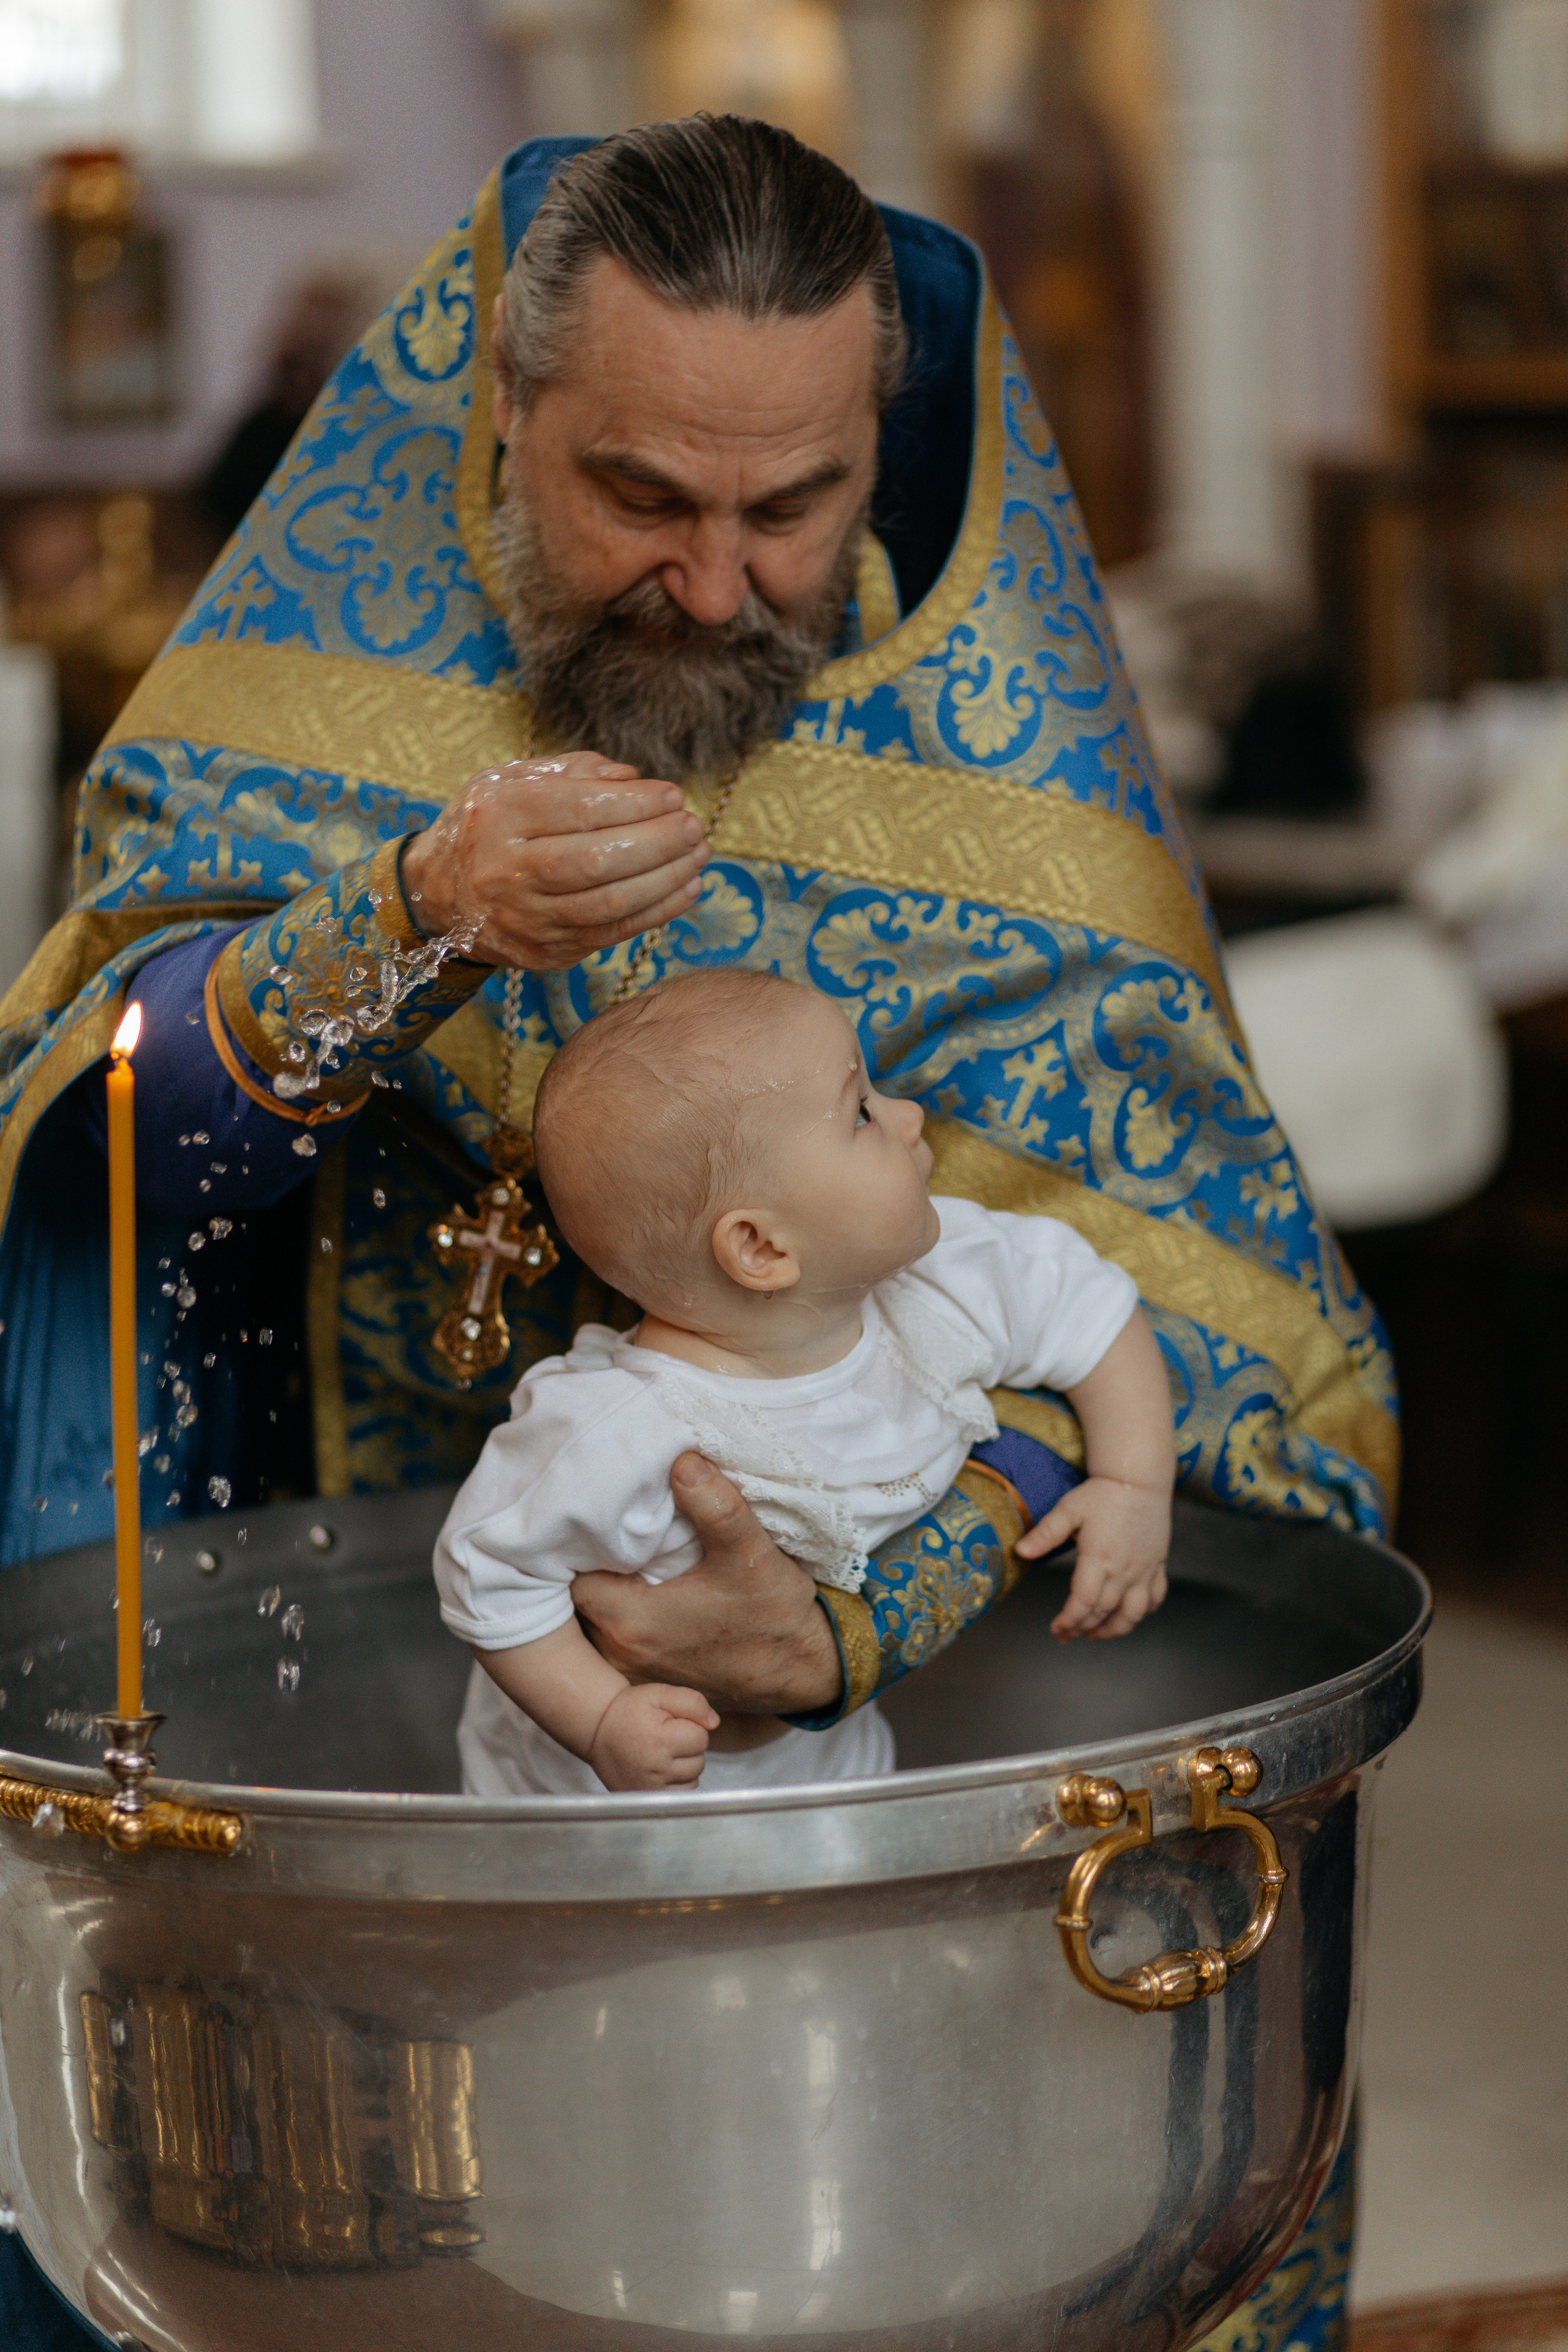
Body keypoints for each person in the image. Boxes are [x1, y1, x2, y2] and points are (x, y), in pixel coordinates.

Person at [0, 115, 1387, 2350]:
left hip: (898, 1860)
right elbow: (97, 1155)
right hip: (372, 1789)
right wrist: (403, 923)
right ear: (497, 414)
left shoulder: (1023, 843)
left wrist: (858, 1610)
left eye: (795, 506)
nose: (721, 588)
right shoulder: (302, 731)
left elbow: (1245, 1412)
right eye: (639, 497)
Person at [439, 969, 1172, 1793]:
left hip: (825, 1768)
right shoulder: (618, 1431)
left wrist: (1132, 1485)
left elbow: (1090, 1309)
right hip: (595, 1807)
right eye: (862, 1111)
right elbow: (487, 1575)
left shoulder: (944, 1284)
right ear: (761, 1248)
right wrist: (600, 1718)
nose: (910, 1115)